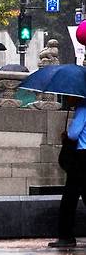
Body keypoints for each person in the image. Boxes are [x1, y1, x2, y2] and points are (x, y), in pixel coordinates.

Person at [49, 96, 86, 248]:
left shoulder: (83, 107)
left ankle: (66, 236)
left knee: (69, 198)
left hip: (81, 157)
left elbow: (74, 134)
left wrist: (66, 135)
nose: (67, 97)